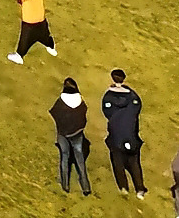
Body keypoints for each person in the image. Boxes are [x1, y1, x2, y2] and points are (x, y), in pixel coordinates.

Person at [104, 68, 147, 198]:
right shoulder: (132, 96)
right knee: (135, 163)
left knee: (118, 162)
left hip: (116, 135)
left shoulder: (108, 96)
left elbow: (107, 112)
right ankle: (140, 189)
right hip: (131, 134)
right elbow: (137, 108)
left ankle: (123, 187)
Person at [52, 78, 95, 194]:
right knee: (80, 159)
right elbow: (83, 116)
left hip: (63, 134)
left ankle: (65, 185)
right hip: (77, 134)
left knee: (64, 158)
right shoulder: (81, 101)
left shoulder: (60, 102)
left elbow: (54, 113)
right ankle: (86, 186)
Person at [10, 0, 55, 64]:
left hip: (29, 21)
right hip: (41, 20)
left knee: (24, 39)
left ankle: (19, 55)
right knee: (45, 36)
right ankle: (51, 47)